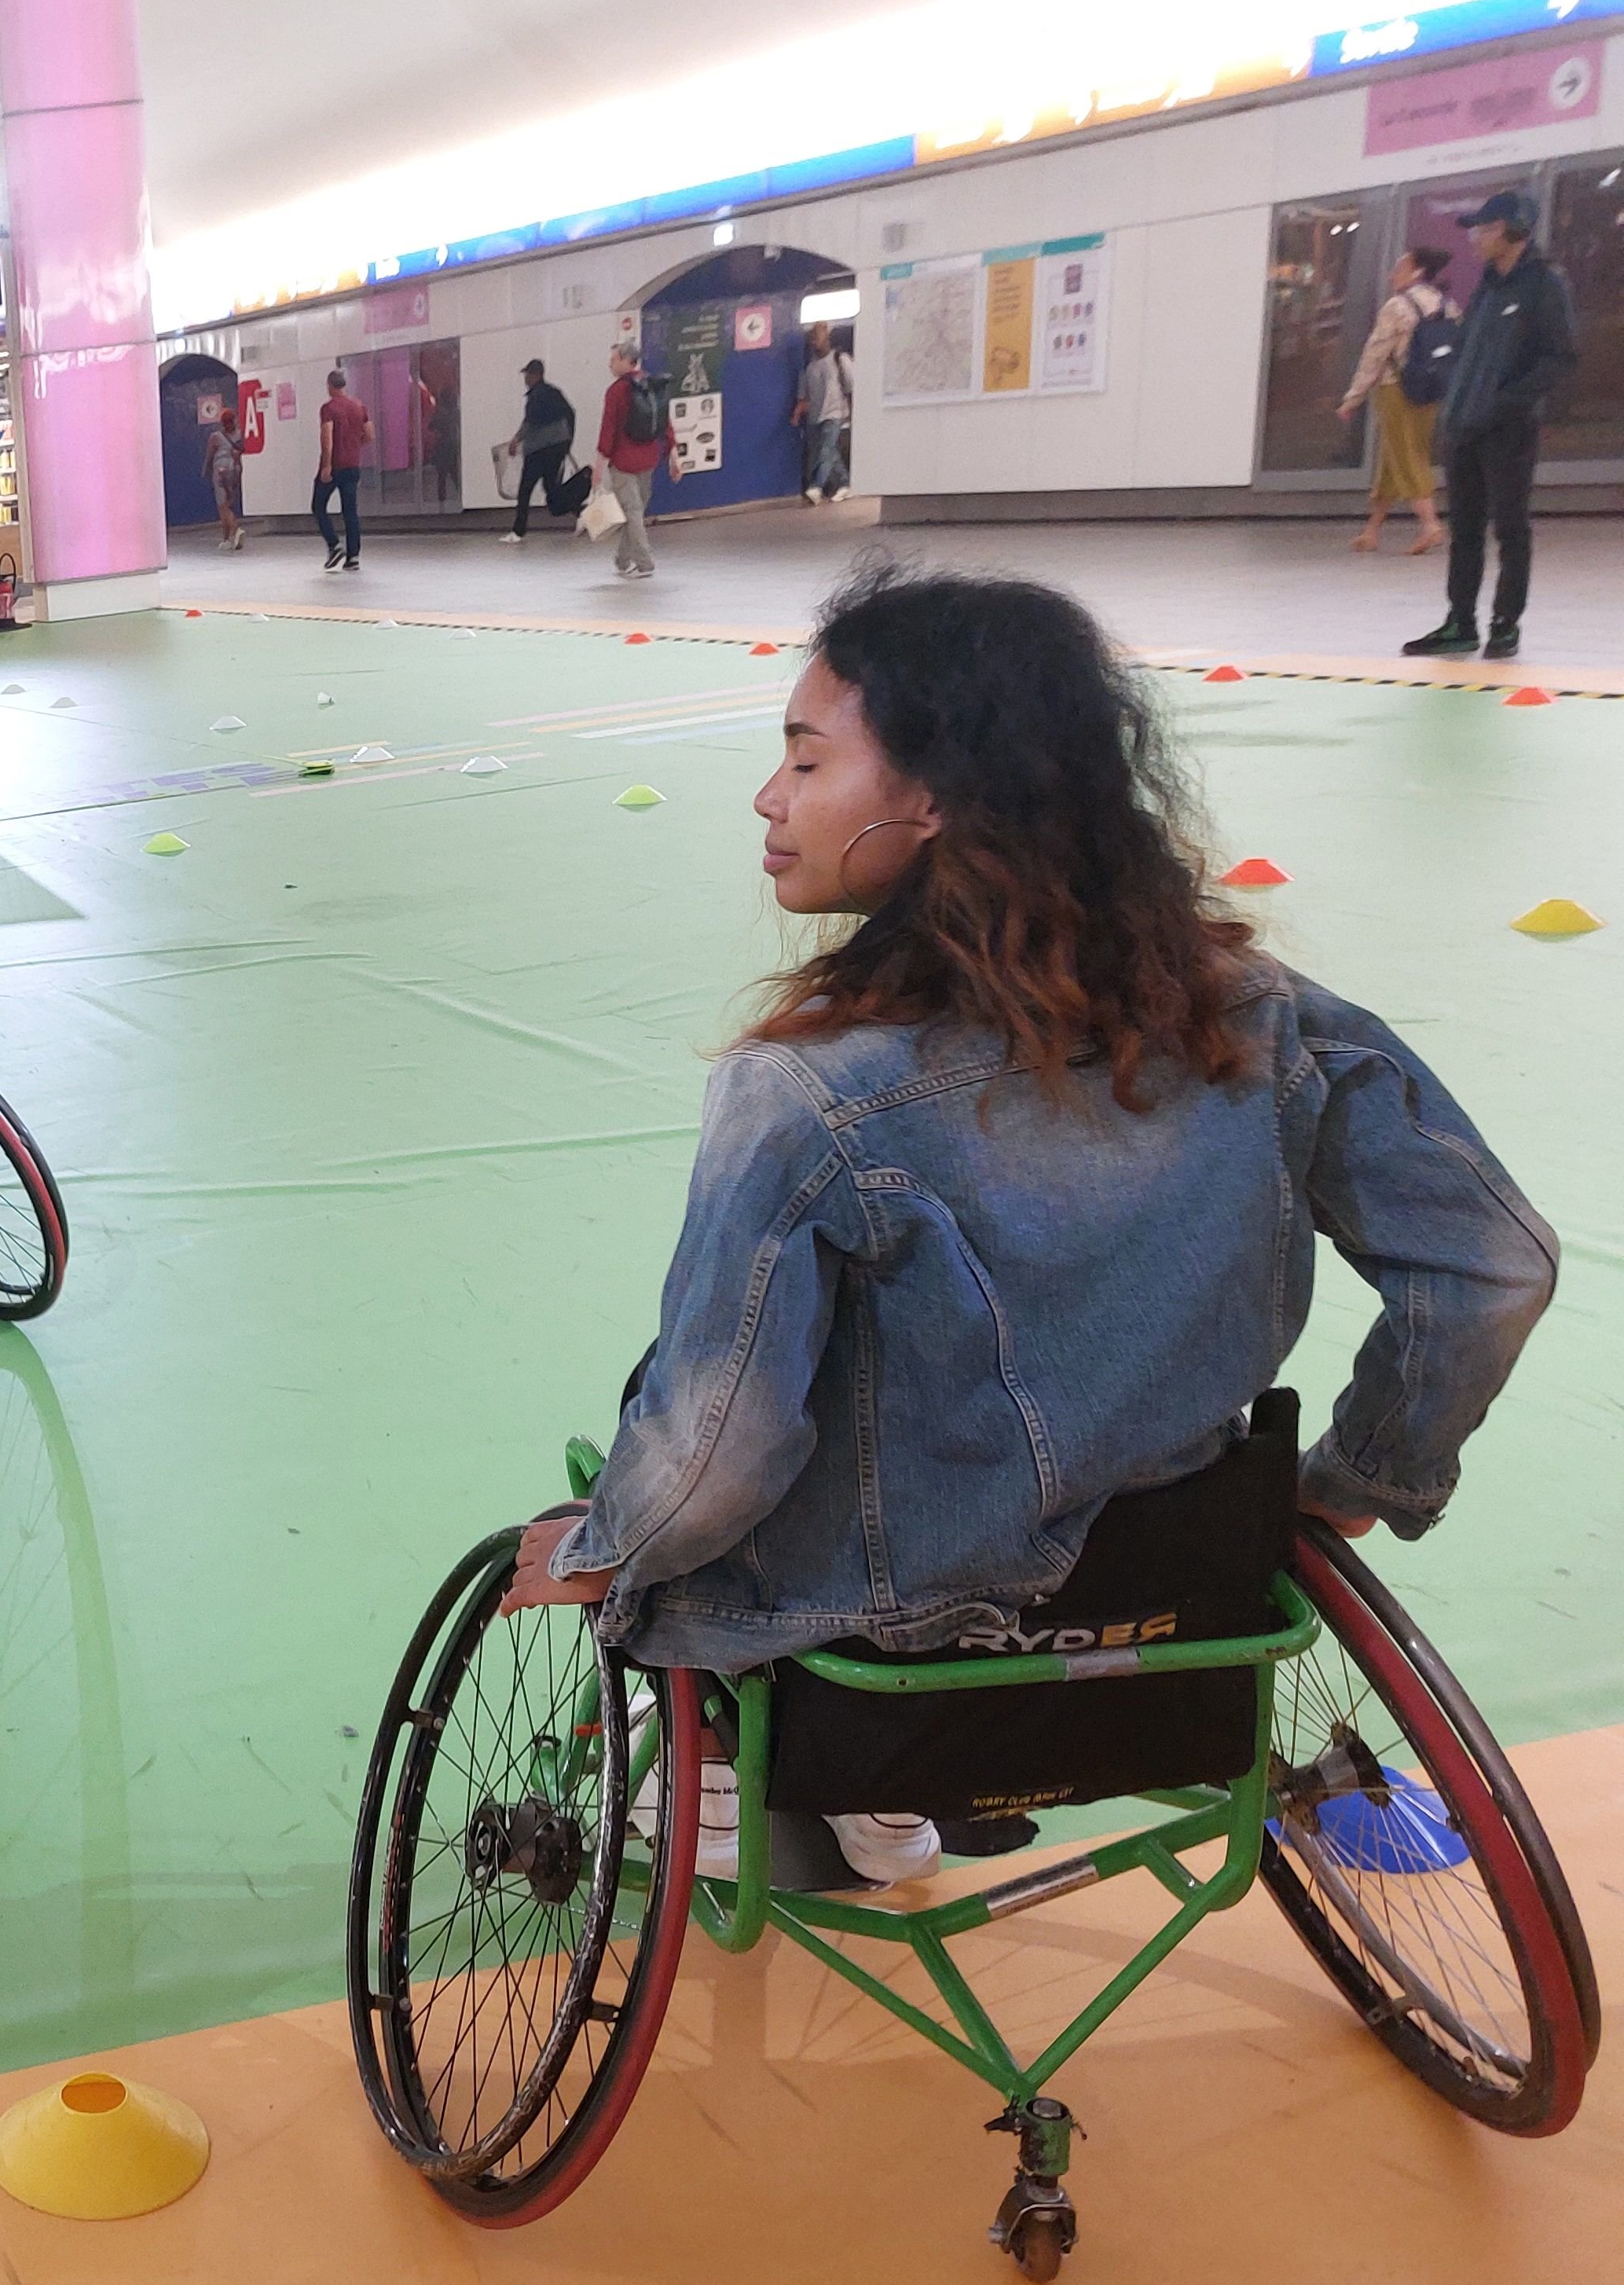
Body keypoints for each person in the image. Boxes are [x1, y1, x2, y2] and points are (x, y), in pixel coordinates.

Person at [497, 565, 1554, 1886]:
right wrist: (1354, 1484)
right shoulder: (1254, 1012)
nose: (767, 798)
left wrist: (603, 1546)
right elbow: (1491, 1264)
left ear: (929, 801)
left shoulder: (805, 1091)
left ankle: (740, 1777)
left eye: (803, 758)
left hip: (881, 1628)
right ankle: (885, 1803)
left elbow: (717, 1459)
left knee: (679, 1417)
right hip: (1178, 1603)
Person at [1407, 189, 1578, 661]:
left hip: (1509, 430)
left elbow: (1558, 359)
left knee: (1510, 529)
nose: (1475, 238)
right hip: (1464, 429)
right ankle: (1460, 622)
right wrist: (1455, 405)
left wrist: (1506, 404)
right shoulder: (1488, 284)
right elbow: (1468, 351)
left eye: (1482, 229)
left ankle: (1505, 625)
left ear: (1505, 229)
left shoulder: (1544, 285)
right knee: (1464, 530)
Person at [1337, 250, 1454, 557]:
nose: (1392, 275)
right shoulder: (1446, 304)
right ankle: (1372, 531)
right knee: (1394, 458)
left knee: (1407, 455)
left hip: (1396, 389)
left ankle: (1430, 525)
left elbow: (1374, 354)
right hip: (1431, 389)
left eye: (1399, 268)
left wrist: (1354, 398)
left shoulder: (1397, 307)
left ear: (1417, 272)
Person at [596, 340, 675, 579]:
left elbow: (607, 431)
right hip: (648, 458)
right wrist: (673, 454)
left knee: (632, 512)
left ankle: (644, 563)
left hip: (623, 462)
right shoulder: (651, 385)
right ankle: (622, 560)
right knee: (636, 512)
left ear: (625, 361)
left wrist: (599, 466)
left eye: (613, 360)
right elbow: (665, 423)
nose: (610, 364)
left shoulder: (616, 391)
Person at [499, 358, 581, 541]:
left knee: (525, 489)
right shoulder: (555, 393)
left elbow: (530, 423)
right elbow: (571, 413)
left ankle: (518, 532)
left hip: (538, 450)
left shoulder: (536, 396)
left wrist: (516, 440)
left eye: (527, 374)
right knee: (552, 491)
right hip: (557, 448)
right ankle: (582, 515)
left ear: (535, 375)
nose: (525, 378)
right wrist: (567, 442)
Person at [313, 367, 371, 570]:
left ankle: (334, 545)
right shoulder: (359, 406)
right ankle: (353, 557)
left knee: (318, 506)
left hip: (334, 466)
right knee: (350, 512)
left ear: (330, 386)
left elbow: (327, 437)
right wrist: (353, 445)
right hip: (353, 465)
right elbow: (370, 435)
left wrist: (327, 465)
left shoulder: (328, 409)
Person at [794, 325, 852, 504]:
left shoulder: (839, 359)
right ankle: (845, 483)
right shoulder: (810, 367)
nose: (814, 342)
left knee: (826, 449)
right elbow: (804, 396)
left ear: (827, 338)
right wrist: (798, 413)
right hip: (816, 415)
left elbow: (852, 386)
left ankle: (816, 487)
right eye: (812, 339)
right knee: (828, 451)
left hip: (836, 413)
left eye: (817, 338)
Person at [200, 390, 246, 549]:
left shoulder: (215, 436)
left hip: (220, 471)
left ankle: (236, 529)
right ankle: (226, 540)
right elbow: (242, 450)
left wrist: (205, 470)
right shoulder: (241, 435)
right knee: (229, 503)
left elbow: (210, 455)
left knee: (223, 506)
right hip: (236, 470)